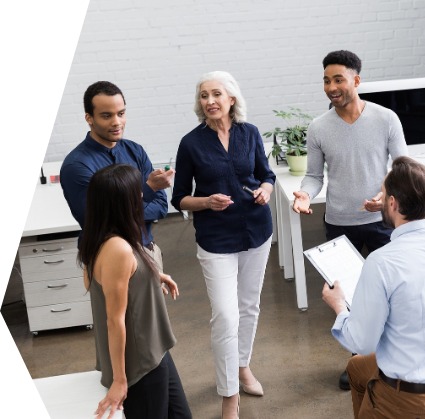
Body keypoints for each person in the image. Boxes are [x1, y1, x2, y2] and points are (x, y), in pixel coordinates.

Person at [292, 49, 409, 390]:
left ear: (356, 80)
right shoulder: (318, 128)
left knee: (389, 292)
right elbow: (314, 176)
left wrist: (385, 194)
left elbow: (402, 167)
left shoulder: (386, 119)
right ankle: (357, 361)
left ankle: (391, 359)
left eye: (338, 79)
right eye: (326, 80)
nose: (331, 87)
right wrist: (303, 193)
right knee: (347, 297)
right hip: (339, 222)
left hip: (382, 221)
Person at [322, 156, 425, 418]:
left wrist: (339, 306)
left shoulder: (381, 261)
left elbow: (362, 341)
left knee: (360, 354)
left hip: (408, 398)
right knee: (356, 368)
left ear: (392, 203)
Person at [171, 71, 275, 419]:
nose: (210, 101)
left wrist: (265, 190)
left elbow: (267, 174)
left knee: (249, 307)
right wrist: (205, 202)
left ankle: (242, 366)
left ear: (232, 98)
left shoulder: (250, 133)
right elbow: (179, 198)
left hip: (256, 232)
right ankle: (229, 395)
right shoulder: (191, 144)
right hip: (217, 240)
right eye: (203, 95)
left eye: (217, 93)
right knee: (226, 317)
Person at [78, 164, 192, 419]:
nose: (142, 196)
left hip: (155, 348)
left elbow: (101, 281)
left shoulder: (102, 237)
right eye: (136, 192)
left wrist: (152, 276)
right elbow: (114, 320)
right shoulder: (118, 248)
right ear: (122, 202)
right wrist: (120, 380)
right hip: (140, 362)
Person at [60, 80, 173, 266]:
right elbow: (98, 221)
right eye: (106, 116)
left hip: (148, 252)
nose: (116, 122)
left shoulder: (135, 151)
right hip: (108, 259)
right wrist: (149, 189)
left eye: (121, 114)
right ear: (89, 118)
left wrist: (119, 211)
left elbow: (161, 207)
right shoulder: (77, 165)